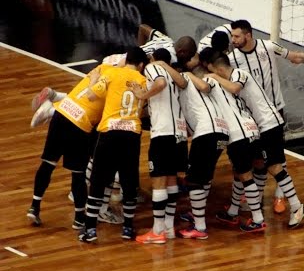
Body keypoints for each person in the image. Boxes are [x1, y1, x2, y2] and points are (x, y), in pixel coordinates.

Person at [228, 19, 304, 214]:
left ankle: (280, 196)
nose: (234, 39)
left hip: (275, 110)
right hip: (252, 115)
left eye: (237, 36)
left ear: (248, 35)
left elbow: (296, 57)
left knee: (277, 158)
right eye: (232, 36)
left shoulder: (268, 47)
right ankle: (255, 199)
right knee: (258, 159)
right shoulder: (232, 59)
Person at [207, 52, 304, 229]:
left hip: (269, 124)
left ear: (220, 69)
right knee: (254, 164)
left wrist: (213, 76)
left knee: (274, 166)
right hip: (260, 127)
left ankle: (296, 206)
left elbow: (235, 88)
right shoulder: (230, 79)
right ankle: (236, 209)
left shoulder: (239, 74)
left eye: (216, 72)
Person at [26, 62, 111, 229]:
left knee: (48, 163)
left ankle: (34, 206)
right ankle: (79, 218)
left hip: (63, 112)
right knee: (78, 174)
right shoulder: (118, 84)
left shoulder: (101, 68)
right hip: (80, 124)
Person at [78, 47, 149, 242]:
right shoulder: (142, 80)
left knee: (98, 180)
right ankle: (127, 228)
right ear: (141, 65)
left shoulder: (111, 73)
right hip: (131, 134)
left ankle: (91, 230)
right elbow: (141, 107)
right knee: (128, 182)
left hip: (109, 131)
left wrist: (92, 81)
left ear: (126, 60)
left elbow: (91, 96)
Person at [163, 41, 230, 240]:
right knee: (205, 176)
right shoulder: (196, 82)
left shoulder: (183, 80)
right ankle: (196, 215)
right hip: (222, 131)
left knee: (193, 180)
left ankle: (199, 227)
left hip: (207, 132)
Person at [129, 48, 189, 244]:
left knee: (158, 182)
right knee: (171, 181)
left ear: (152, 59)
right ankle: (169, 227)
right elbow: (183, 83)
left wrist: (143, 95)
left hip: (163, 132)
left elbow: (160, 83)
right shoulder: (173, 73)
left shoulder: (152, 68)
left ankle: (157, 231)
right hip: (179, 133)